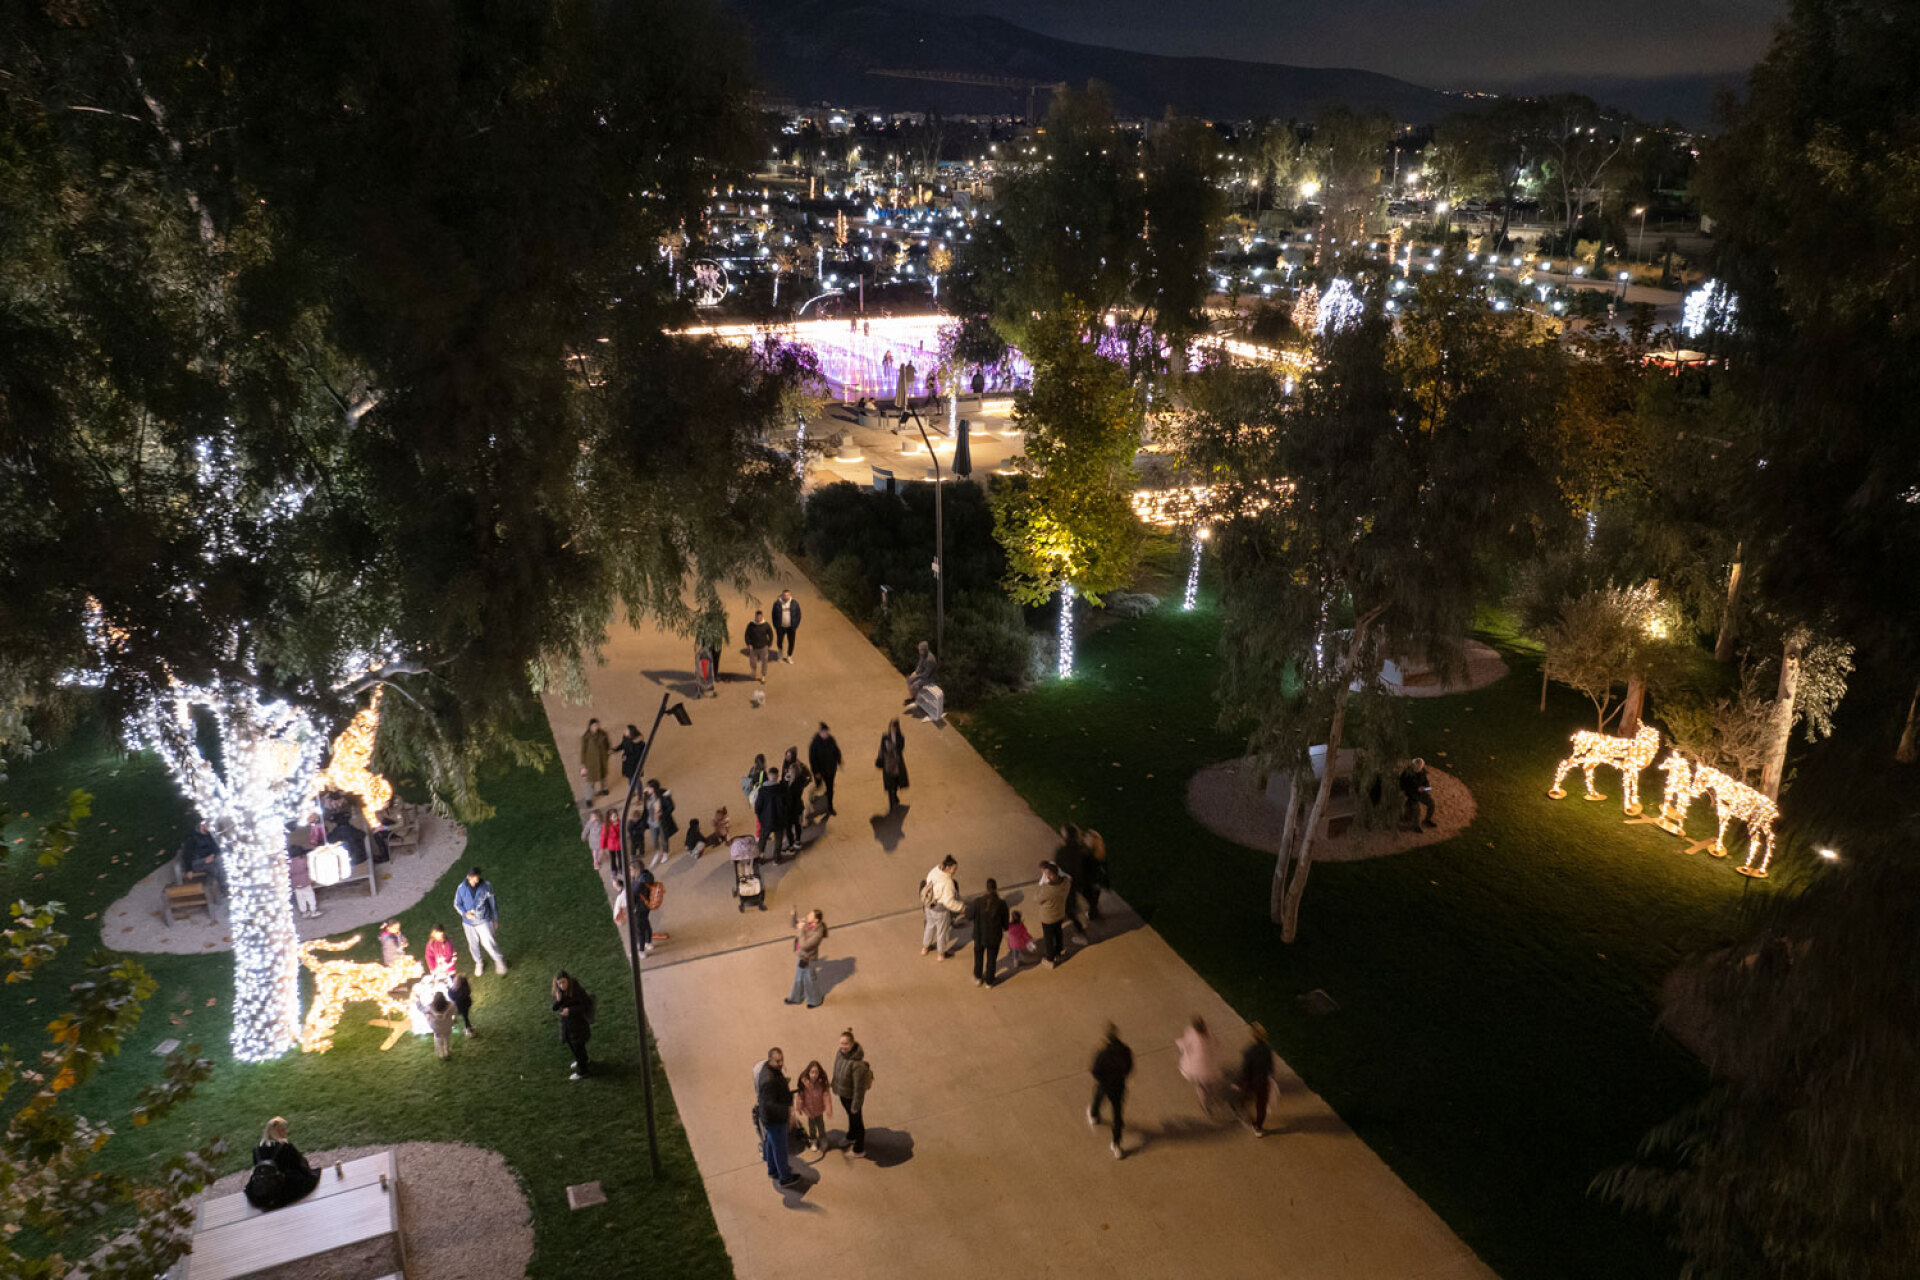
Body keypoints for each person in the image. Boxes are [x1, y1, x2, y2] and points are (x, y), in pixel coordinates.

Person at [244, 1117, 322, 1209]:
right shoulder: (286, 1147)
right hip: (284, 1187)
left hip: (264, 1186)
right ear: (276, 1132)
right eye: (282, 1130)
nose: (285, 1133)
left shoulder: (256, 1150)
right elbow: (299, 1165)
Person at [756, 1047, 801, 1187]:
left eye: (782, 1060)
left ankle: (773, 1170)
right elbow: (770, 1105)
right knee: (780, 1149)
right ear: (770, 1060)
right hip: (775, 1119)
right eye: (777, 1061)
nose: (781, 1063)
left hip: (768, 1119)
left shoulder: (769, 1069)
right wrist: (788, 1111)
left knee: (771, 1143)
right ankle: (785, 1178)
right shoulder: (769, 1080)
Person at [1089, 1024, 1134, 1160]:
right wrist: (1122, 1076)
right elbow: (1129, 1067)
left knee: (1098, 1098)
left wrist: (1102, 1079)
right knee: (1117, 1114)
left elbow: (1095, 1070)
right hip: (1118, 1086)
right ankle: (1116, 1144)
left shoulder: (1102, 1053)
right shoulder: (1125, 1050)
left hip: (1105, 1084)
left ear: (1106, 1038)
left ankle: (1094, 1115)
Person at [454, 867, 507, 975]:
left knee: (489, 942)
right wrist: (465, 913)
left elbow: (492, 902)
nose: (475, 882)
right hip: (468, 923)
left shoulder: (486, 886)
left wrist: (494, 919)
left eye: (477, 880)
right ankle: (478, 962)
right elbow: (457, 904)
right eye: (473, 880)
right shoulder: (461, 888)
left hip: (483, 920)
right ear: (468, 877)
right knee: (473, 944)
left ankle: (498, 960)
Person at [831, 1029, 872, 1156]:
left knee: (857, 1121)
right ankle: (851, 1136)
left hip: (852, 1098)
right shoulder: (840, 1054)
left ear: (852, 1044)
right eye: (841, 1043)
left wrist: (856, 1105)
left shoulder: (857, 1064)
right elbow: (836, 1070)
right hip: (843, 1094)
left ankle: (859, 1149)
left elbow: (859, 1089)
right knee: (851, 1117)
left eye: (846, 1044)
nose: (843, 1046)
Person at [919, 854, 965, 959]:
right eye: (954, 869)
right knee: (942, 932)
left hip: (929, 905)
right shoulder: (948, 882)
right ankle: (941, 954)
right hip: (941, 910)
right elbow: (949, 902)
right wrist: (961, 907)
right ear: (948, 868)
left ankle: (925, 948)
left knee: (929, 926)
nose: (955, 872)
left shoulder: (934, 871)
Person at [552, 971, 594, 1080]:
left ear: (568, 980)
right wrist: (558, 1000)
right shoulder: (559, 992)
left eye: (564, 982)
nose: (562, 985)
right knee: (573, 1045)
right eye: (559, 983)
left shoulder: (577, 990)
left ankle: (583, 1071)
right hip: (567, 1025)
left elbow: (586, 1005)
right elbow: (554, 1008)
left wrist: (570, 1010)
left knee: (578, 1046)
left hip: (578, 1025)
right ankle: (583, 1061)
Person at [1176, 1016, 1224, 1113]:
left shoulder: (1191, 1034)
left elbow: (1186, 1045)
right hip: (1207, 1065)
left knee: (1201, 1086)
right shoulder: (1208, 1035)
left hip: (1198, 1067)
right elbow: (1216, 1044)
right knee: (1206, 1084)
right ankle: (1205, 1100)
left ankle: (1204, 1103)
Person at [969, 878, 1011, 988]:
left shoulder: (978, 902)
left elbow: (968, 915)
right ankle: (989, 981)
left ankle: (978, 977)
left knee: (978, 957)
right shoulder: (1001, 904)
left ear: (986, 888)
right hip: (994, 937)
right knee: (992, 959)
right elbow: (1005, 924)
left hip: (979, 935)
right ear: (996, 888)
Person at [1033, 861, 1073, 968]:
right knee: (1058, 932)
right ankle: (1059, 953)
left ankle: (1050, 959)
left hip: (1048, 918)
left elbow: (1036, 899)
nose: (1046, 876)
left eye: (1048, 874)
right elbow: (1068, 879)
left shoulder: (1048, 889)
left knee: (1049, 939)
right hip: (1060, 913)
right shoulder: (1066, 882)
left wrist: (1043, 886)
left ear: (1052, 875)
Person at [1240, 1022, 1278, 1137]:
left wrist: (1241, 1082)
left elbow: (1245, 1070)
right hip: (1263, 1082)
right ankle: (1258, 1127)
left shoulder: (1250, 1052)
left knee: (1244, 1101)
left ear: (1253, 1036)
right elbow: (1270, 1068)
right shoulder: (1267, 1050)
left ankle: (1248, 1119)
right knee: (1261, 1106)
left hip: (1251, 1082)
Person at [784, 908, 828, 1008]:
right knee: (798, 979)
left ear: (816, 920)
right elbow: (794, 925)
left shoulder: (818, 934)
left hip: (808, 960)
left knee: (810, 981)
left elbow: (805, 945)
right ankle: (796, 998)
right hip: (801, 956)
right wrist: (793, 916)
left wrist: (800, 929)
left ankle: (815, 1001)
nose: (807, 915)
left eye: (810, 915)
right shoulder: (808, 924)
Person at [614, 863, 657, 955]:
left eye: (630, 870)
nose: (629, 872)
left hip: (639, 908)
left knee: (639, 930)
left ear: (636, 870)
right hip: (646, 906)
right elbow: (632, 888)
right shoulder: (646, 877)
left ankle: (640, 951)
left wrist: (619, 889)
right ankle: (648, 942)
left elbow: (631, 894)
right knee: (645, 923)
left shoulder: (640, 882)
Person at [794, 1059, 834, 1154]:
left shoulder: (822, 1083)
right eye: (812, 1072)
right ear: (808, 1072)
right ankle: (813, 1141)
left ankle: (823, 1139)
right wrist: (799, 1107)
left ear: (819, 1073)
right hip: (809, 1110)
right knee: (811, 1127)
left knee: (821, 1126)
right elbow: (800, 1096)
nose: (814, 1075)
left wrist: (828, 1108)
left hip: (819, 1109)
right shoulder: (804, 1083)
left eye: (816, 1072)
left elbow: (826, 1096)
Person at [754, 759, 788, 860]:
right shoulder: (782, 789)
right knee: (778, 839)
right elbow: (787, 804)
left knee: (763, 839)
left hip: (766, 820)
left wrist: (760, 817)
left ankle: (760, 857)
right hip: (779, 819)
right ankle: (776, 858)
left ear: (768, 776)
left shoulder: (762, 790)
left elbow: (758, 807)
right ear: (777, 777)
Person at [809, 723, 842, 817]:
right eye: (824, 732)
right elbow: (812, 760)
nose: (826, 734)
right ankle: (813, 792)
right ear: (820, 732)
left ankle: (830, 807)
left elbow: (837, 750)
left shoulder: (831, 740)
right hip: (820, 772)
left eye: (826, 732)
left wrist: (839, 760)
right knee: (819, 785)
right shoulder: (815, 744)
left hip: (831, 770)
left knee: (830, 788)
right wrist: (816, 772)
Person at [781, 749, 810, 854]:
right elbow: (808, 777)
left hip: (790, 808)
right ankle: (797, 841)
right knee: (797, 824)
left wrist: (785, 781)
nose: (788, 771)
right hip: (798, 807)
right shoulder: (800, 780)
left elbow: (785, 791)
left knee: (789, 826)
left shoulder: (790, 785)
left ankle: (791, 846)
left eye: (790, 771)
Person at [644, 779, 678, 868]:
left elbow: (671, 807)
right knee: (654, 839)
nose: (647, 789)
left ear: (653, 788)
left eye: (649, 787)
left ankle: (665, 853)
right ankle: (657, 853)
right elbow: (646, 809)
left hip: (662, 822)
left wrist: (661, 814)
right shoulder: (647, 795)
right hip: (651, 822)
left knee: (664, 838)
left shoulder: (663, 795)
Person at [877, 718, 908, 811]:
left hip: (896, 764)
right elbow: (882, 749)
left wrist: (893, 746)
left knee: (895, 783)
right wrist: (881, 759)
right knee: (890, 785)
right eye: (891, 727)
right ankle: (891, 804)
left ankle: (895, 796)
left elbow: (901, 749)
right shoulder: (885, 737)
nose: (892, 729)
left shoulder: (901, 737)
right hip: (888, 764)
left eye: (894, 727)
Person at [1400, 757, 1437, 829]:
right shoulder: (1406, 773)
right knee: (1416, 809)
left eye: (1420, 767)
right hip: (1411, 794)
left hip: (1420, 792)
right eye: (1417, 767)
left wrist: (1425, 787)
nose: (1418, 769)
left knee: (1431, 803)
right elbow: (1403, 786)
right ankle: (1415, 826)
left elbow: (1425, 781)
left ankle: (1427, 820)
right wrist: (1416, 789)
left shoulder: (1422, 771)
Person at [580, 718, 612, 798]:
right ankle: (589, 798)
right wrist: (583, 764)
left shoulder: (603, 734)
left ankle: (604, 789)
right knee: (590, 780)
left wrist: (607, 753)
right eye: (594, 725)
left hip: (602, 760)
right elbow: (583, 751)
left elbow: (607, 744)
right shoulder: (586, 737)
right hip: (591, 762)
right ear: (590, 726)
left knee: (603, 776)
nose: (596, 727)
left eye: (597, 725)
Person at [287, 847, 320, 920]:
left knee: (300, 898)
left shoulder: (288, 863)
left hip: (295, 883)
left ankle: (304, 912)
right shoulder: (303, 860)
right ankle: (313, 911)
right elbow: (308, 867)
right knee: (310, 896)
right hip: (305, 881)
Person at [771, 588, 803, 662]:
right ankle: (780, 653)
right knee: (779, 641)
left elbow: (799, 615)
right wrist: (776, 626)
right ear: (782, 595)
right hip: (780, 627)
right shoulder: (777, 603)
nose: (786, 597)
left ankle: (789, 656)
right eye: (784, 595)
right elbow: (773, 615)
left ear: (790, 595)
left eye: (787, 595)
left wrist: (795, 625)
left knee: (791, 642)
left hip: (791, 627)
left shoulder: (795, 603)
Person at [904, 640, 938, 706]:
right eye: (919, 650)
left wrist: (917, 676)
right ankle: (913, 698)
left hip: (929, 678)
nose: (919, 651)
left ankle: (916, 699)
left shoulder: (930, 659)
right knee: (909, 680)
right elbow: (920, 665)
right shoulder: (922, 655)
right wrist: (915, 672)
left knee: (914, 685)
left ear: (925, 649)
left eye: (921, 650)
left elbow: (926, 674)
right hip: (922, 675)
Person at [744, 610, 774, 683]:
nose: (758, 619)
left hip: (763, 647)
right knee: (752, 661)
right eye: (757, 617)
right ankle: (754, 672)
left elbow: (771, 635)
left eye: (760, 617)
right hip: (753, 647)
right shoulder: (751, 625)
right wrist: (749, 644)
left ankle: (763, 676)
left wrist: (769, 644)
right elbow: (747, 635)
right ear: (755, 616)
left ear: (762, 617)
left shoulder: (766, 625)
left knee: (764, 662)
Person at [424, 990, 456, 1060]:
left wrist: (418, 1000)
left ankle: (441, 1053)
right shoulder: (451, 1005)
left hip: (436, 1027)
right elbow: (454, 1012)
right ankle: (447, 1050)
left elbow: (423, 1010)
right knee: (447, 1037)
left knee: (437, 1037)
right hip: (447, 1025)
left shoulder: (430, 1007)